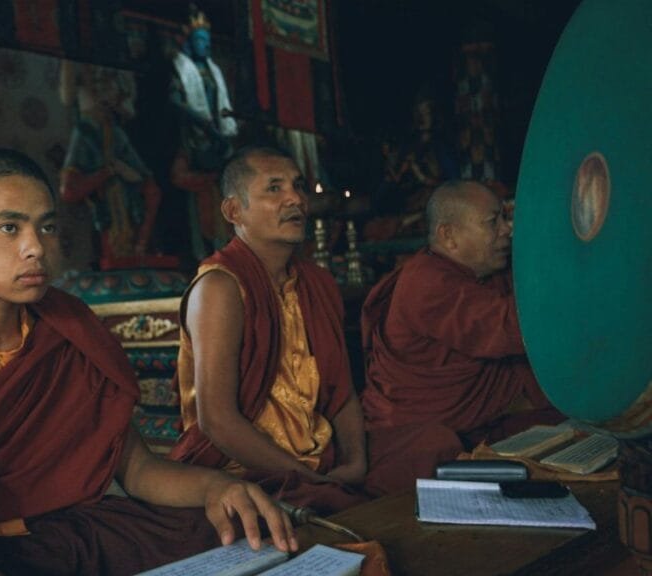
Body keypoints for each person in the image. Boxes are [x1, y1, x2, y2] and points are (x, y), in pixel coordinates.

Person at [0, 148, 296, 576]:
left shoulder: (68, 327)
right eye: (9, 228)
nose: (36, 247)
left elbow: (137, 470)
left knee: (228, 534)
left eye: (46, 226)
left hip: (62, 536)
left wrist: (216, 487)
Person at [169, 146, 368, 515]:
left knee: (430, 445)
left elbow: (342, 392)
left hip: (320, 453)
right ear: (233, 211)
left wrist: (356, 464)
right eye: (274, 189)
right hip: (246, 468)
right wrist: (311, 478)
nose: (295, 198)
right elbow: (217, 421)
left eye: (298, 186)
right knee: (332, 505)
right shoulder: (221, 287)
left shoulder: (317, 283)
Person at [360, 180, 564, 495]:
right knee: (437, 449)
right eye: (492, 222)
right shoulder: (426, 283)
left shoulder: (483, 274)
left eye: (505, 219)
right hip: (416, 428)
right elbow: (509, 329)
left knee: (565, 427)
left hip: (479, 420)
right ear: (449, 236)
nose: (506, 230)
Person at [60, 62, 162, 267]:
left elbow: (146, 182)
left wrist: (128, 173)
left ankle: (139, 247)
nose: (103, 94)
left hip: (129, 207)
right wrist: (107, 172)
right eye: (97, 86)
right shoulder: (84, 134)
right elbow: (69, 191)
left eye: (108, 86)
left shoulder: (117, 133)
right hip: (103, 211)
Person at [169, 8, 235, 259]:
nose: (204, 47)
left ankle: (226, 248)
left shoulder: (214, 71)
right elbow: (174, 100)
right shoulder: (180, 68)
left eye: (207, 42)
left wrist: (219, 130)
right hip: (194, 138)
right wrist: (203, 124)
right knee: (198, 198)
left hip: (216, 138)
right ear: (188, 43)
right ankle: (202, 251)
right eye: (199, 41)